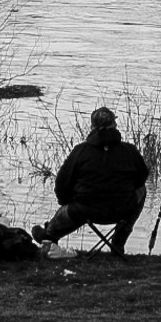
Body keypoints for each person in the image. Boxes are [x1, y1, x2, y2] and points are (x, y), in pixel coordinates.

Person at [32, 106, 148, 257]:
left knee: (70, 205)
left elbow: (62, 183)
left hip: (84, 210)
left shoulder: (80, 151)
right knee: (142, 189)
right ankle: (118, 243)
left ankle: (49, 236)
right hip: (122, 210)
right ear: (114, 125)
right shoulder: (130, 151)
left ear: (92, 126)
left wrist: (66, 201)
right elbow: (142, 177)